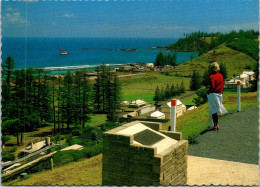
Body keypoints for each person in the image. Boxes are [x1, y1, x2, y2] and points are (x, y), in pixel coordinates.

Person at [207, 62, 226, 131]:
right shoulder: (221, 75)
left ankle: (215, 125)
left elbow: (212, 86)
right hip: (220, 94)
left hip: (213, 94)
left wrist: (209, 91)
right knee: (218, 107)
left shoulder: (211, 76)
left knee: (213, 110)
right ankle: (217, 124)